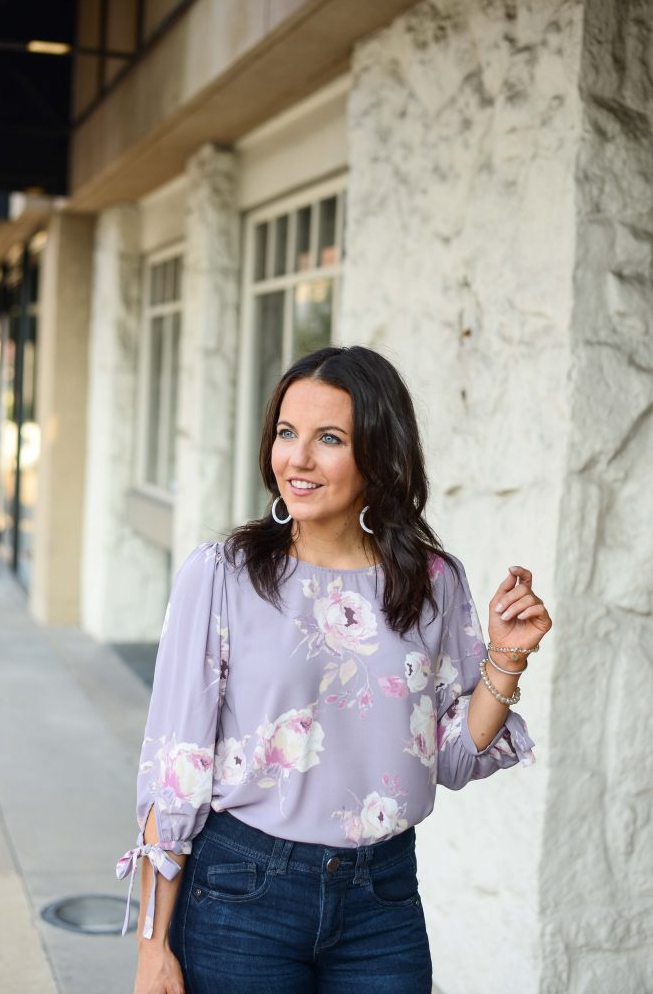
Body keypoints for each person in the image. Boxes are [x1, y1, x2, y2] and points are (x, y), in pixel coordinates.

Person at [117, 345, 552, 994]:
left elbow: (455, 758)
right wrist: (154, 948)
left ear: (377, 455)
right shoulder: (224, 575)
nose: (298, 458)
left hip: (381, 898)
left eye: (329, 439)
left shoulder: (431, 582)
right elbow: (175, 767)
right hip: (243, 891)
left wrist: (505, 658)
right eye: (287, 434)